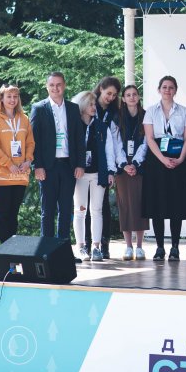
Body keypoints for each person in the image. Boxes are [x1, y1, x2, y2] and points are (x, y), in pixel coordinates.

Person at [30, 72, 85, 240]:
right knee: (47, 210)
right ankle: (46, 249)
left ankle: (63, 249)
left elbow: (79, 138)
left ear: (64, 85)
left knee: (66, 209)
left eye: (59, 84)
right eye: (52, 85)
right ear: (47, 87)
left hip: (69, 165)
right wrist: (37, 165)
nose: (55, 88)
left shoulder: (73, 108)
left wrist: (80, 164)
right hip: (48, 167)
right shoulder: (39, 108)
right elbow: (33, 140)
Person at [142, 75, 186, 261]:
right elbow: (149, 138)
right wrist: (163, 159)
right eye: (164, 87)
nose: (167, 90)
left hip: (178, 161)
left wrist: (180, 159)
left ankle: (175, 247)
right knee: (158, 205)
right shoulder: (150, 111)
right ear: (159, 90)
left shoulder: (184, 111)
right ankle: (160, 247)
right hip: (157, 161)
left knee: (176, 205)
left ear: (175, 90)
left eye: (171, 87)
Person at [71, 91, 116, 262]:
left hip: (98, 173)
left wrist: (110, 172)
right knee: (80, 210)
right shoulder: (74, 125)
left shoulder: (101, 126)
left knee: (97, 210)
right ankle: (81, 247)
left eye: (94, 104)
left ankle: (96, 247)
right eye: (90, 104)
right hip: (80, 174)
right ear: (82, 106)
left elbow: (109, 151)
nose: (94, 107)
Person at [0, 84, 35, 244]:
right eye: (9, 96)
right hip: (2, 175)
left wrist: (28, 160)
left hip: (20, 174)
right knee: (4, 215)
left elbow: (30, 143)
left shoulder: (24, 118)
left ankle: (12, 249)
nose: (12, 100)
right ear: (1, 98)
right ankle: (4, 250)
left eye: (15, 96)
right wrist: (9, 164)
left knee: (14, 215)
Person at [88, 77, 124, 259]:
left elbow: (114, 143)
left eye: (114, 95)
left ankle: (104, 243)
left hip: (105, 162)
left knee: (102, 205)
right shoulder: (89, 105)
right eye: (108, 93)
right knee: (85, 205)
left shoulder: (114, 113)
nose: (110, 97)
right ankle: (87, 243)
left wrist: (113, 169)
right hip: (88, 161)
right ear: (100, 88)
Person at [115, 85, 148, 261]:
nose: (132, 97)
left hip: (140, 166)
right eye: (128, 95)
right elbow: (115, 143)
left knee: (140, 204)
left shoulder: (146, 116)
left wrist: (135, 163)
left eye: (134, 94)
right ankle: (128, 246)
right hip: (122, 167)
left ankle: (140, 246)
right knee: (125, 205)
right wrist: (124, 164)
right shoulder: (117, 117)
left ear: (138, 96)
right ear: (123, 99)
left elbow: (147, 142)